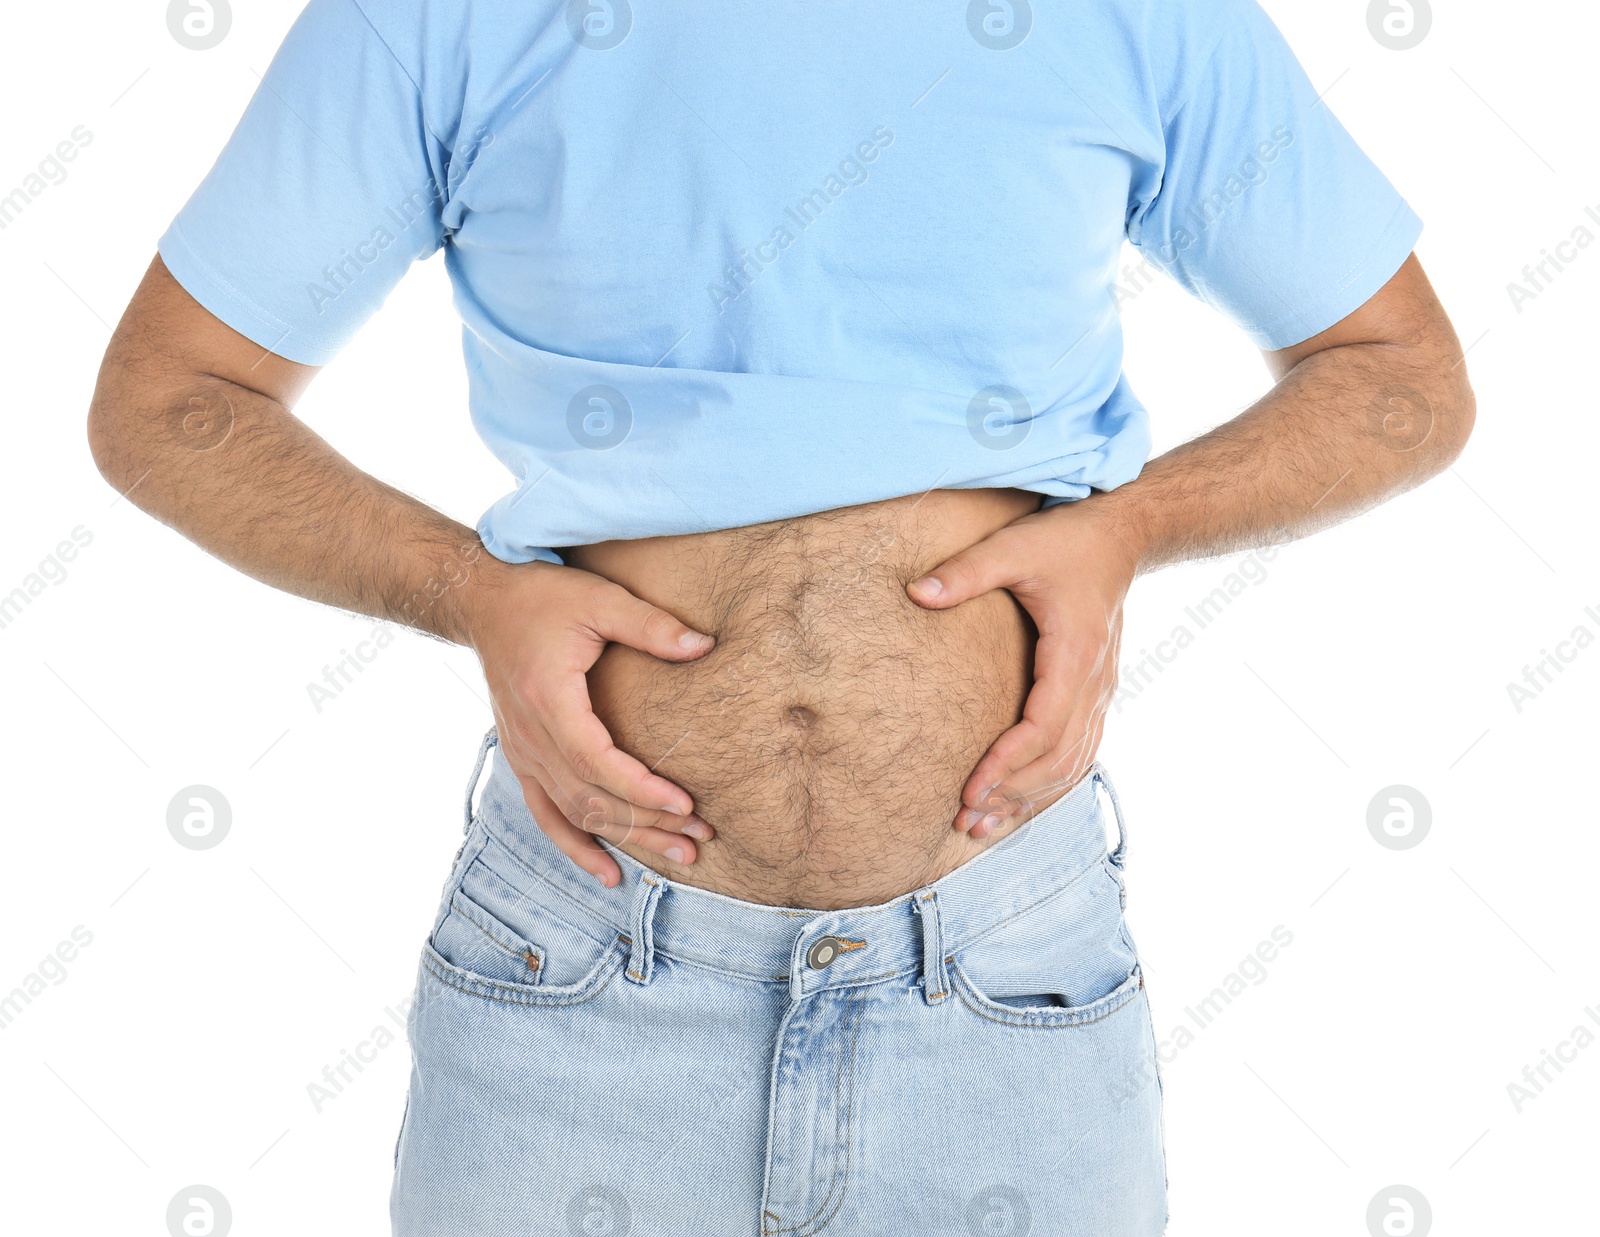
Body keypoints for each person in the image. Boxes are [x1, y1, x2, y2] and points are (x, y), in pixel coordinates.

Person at [87, 0, 1473, 1231]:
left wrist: (1129, 531)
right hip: (580, 980)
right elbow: (171, 400)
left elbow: (1400, 377)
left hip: (1004, 981)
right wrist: (469, 592)